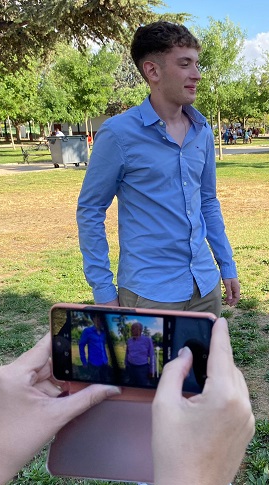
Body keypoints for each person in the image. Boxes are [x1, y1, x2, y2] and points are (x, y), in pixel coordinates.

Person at [0, 319, 254, 485]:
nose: (136, 330)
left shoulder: (143, 340)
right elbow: (92, 351)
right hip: (101, 370)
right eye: (134, 328)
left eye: (138, 328)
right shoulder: (97, 333)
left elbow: (147, 355)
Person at [77, 21, 240, 317]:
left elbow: (207, 201)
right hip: (149, 294)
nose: (197, 74)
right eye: (185, 64)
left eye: (196, 64)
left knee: (209, 352)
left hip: (205, 286)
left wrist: (226, 264)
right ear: (152, 71)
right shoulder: (118, 134)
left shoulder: (202, 130)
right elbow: (90, 210)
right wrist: (103, 291)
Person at [78, 313, 111, 382]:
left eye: (100, 318)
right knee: (94, 383)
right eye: (96, 318)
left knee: (105, 382)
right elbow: (81, 346)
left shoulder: (104, 333)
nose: (99, 320)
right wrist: (84, 361)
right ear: (93, 319)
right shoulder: (87, 331)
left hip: (104, 362)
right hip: (93, 364)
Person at [125, 321, 156, 385]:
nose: (131, 330)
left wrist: (152, 370)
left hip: (142, 368)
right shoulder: (129, 340)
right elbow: (127, 353)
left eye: (133, 328)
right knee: (131, 384)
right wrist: (126, 364)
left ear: (140, 330)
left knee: (143, 385)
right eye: (131, 328)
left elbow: (152, 355)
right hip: (130, 367)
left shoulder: (147, 340)